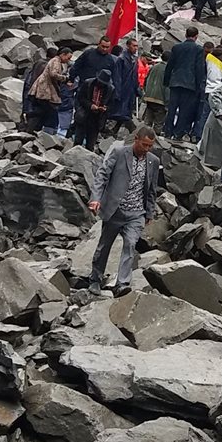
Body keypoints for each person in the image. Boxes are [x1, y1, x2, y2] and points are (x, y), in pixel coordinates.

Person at [85, 127, 160, 297]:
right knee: (104, 246)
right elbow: (102, 175)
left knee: (130, 244)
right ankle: (95, 279)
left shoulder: (153, 161)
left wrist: (149, 212)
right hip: (115, 210)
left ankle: (122, 283)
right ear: (136, 138)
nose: (147, 149)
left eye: (150, 146)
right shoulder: (119, 153)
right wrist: (95, 198)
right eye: (144, 144)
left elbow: (152, 188)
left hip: (136, 212)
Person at [164, 27, 206, 139]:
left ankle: (168, 131)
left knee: (172, 108)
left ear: (186, 35)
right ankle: (178, 133)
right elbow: (199, 68)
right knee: (184, 110)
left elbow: (170, 65)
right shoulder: (199, 49)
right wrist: (199, 85)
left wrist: (167, 81)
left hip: (175, 82)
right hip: (189, 84)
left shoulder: (176, 47)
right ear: (196, 36)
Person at [28, 48, 74, 135]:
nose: (68, 60)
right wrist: (65, 78)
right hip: (45, 90)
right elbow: (53, 74)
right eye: (68, 58)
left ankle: (35, 129)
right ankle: (40, 129)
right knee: (47, 110)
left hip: (47, 90)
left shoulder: (57, 61)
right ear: (63, 54)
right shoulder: (56, 61)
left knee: (44, 110)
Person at [74, 69, 115, 150]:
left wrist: (105, 108)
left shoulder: (110, 89)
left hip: (97, 119)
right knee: (78, 141)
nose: (101, 84)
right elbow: (80, 98)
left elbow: (112, 104)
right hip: (84, 115)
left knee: (90, 144)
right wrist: (90, 105)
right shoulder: (88, 83)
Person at [108, 37, 140, 135]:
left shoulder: (134, 59)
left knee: (125, 112)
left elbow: (135, 76)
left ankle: (114, 130)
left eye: (137, 46)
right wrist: (117, 92)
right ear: (128, 46)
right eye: (134, 46)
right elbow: (117, 77)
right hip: (122, 90)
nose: (136, 48)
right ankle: (133, 131)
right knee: (120, 113)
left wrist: (136, 89)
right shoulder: (121, 59)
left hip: (130, 90)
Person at [142, 51, 169, 129]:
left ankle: (144, 134)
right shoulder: (168, 70)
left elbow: (145, 81)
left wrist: (146, 92)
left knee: (147, 122)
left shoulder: (153, 67)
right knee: (158, 123)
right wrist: (167, 103)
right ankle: (155, 135)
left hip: (149, 98)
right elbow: (167, 88)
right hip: (160, 100)